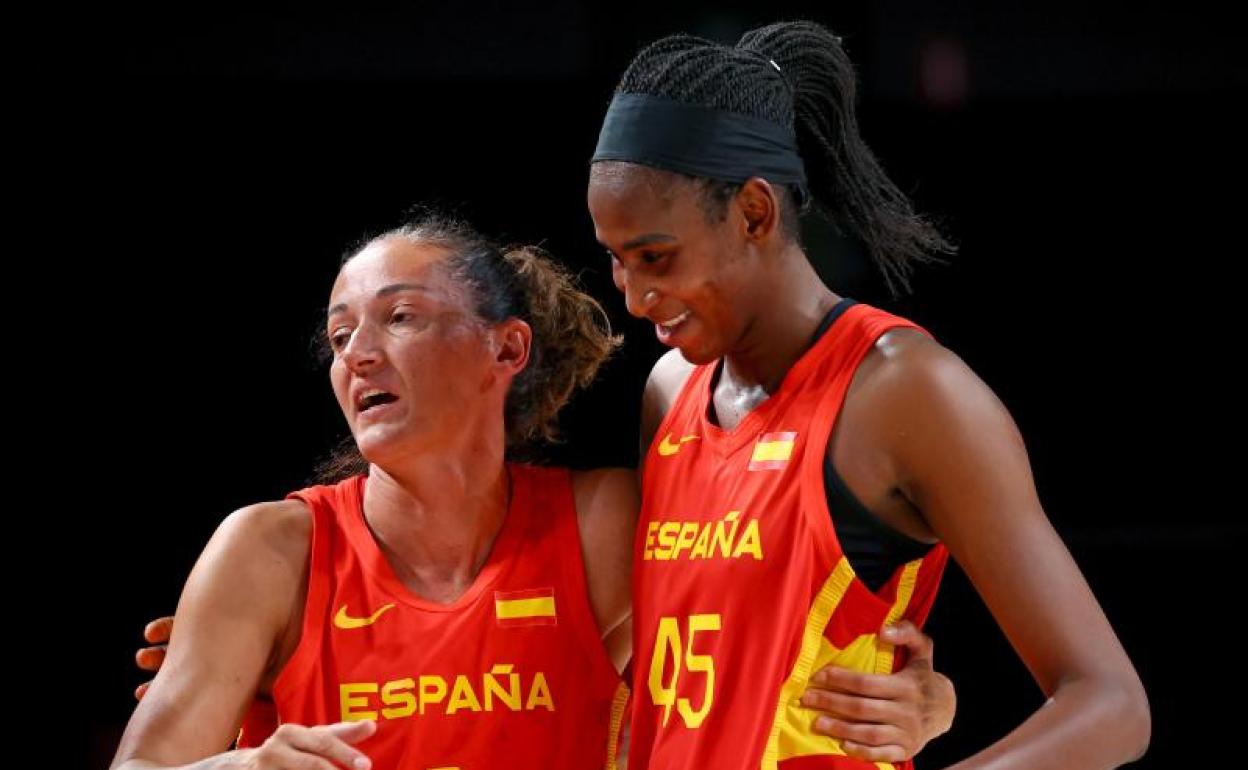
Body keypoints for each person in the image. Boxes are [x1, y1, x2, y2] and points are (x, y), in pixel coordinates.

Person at [587, 20, 1150, 770]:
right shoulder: (670, 389)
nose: (633, 294)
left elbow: (1110, 704)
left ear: (755, 213)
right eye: (617, 261)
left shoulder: (906, 392)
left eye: (656, 256)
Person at [112, 217, 637, 770]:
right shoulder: (272, 551)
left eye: (400, 317)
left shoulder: (599, 522)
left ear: (507, 349)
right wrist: (241, 768)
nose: (356, 354)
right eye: (340, 337)